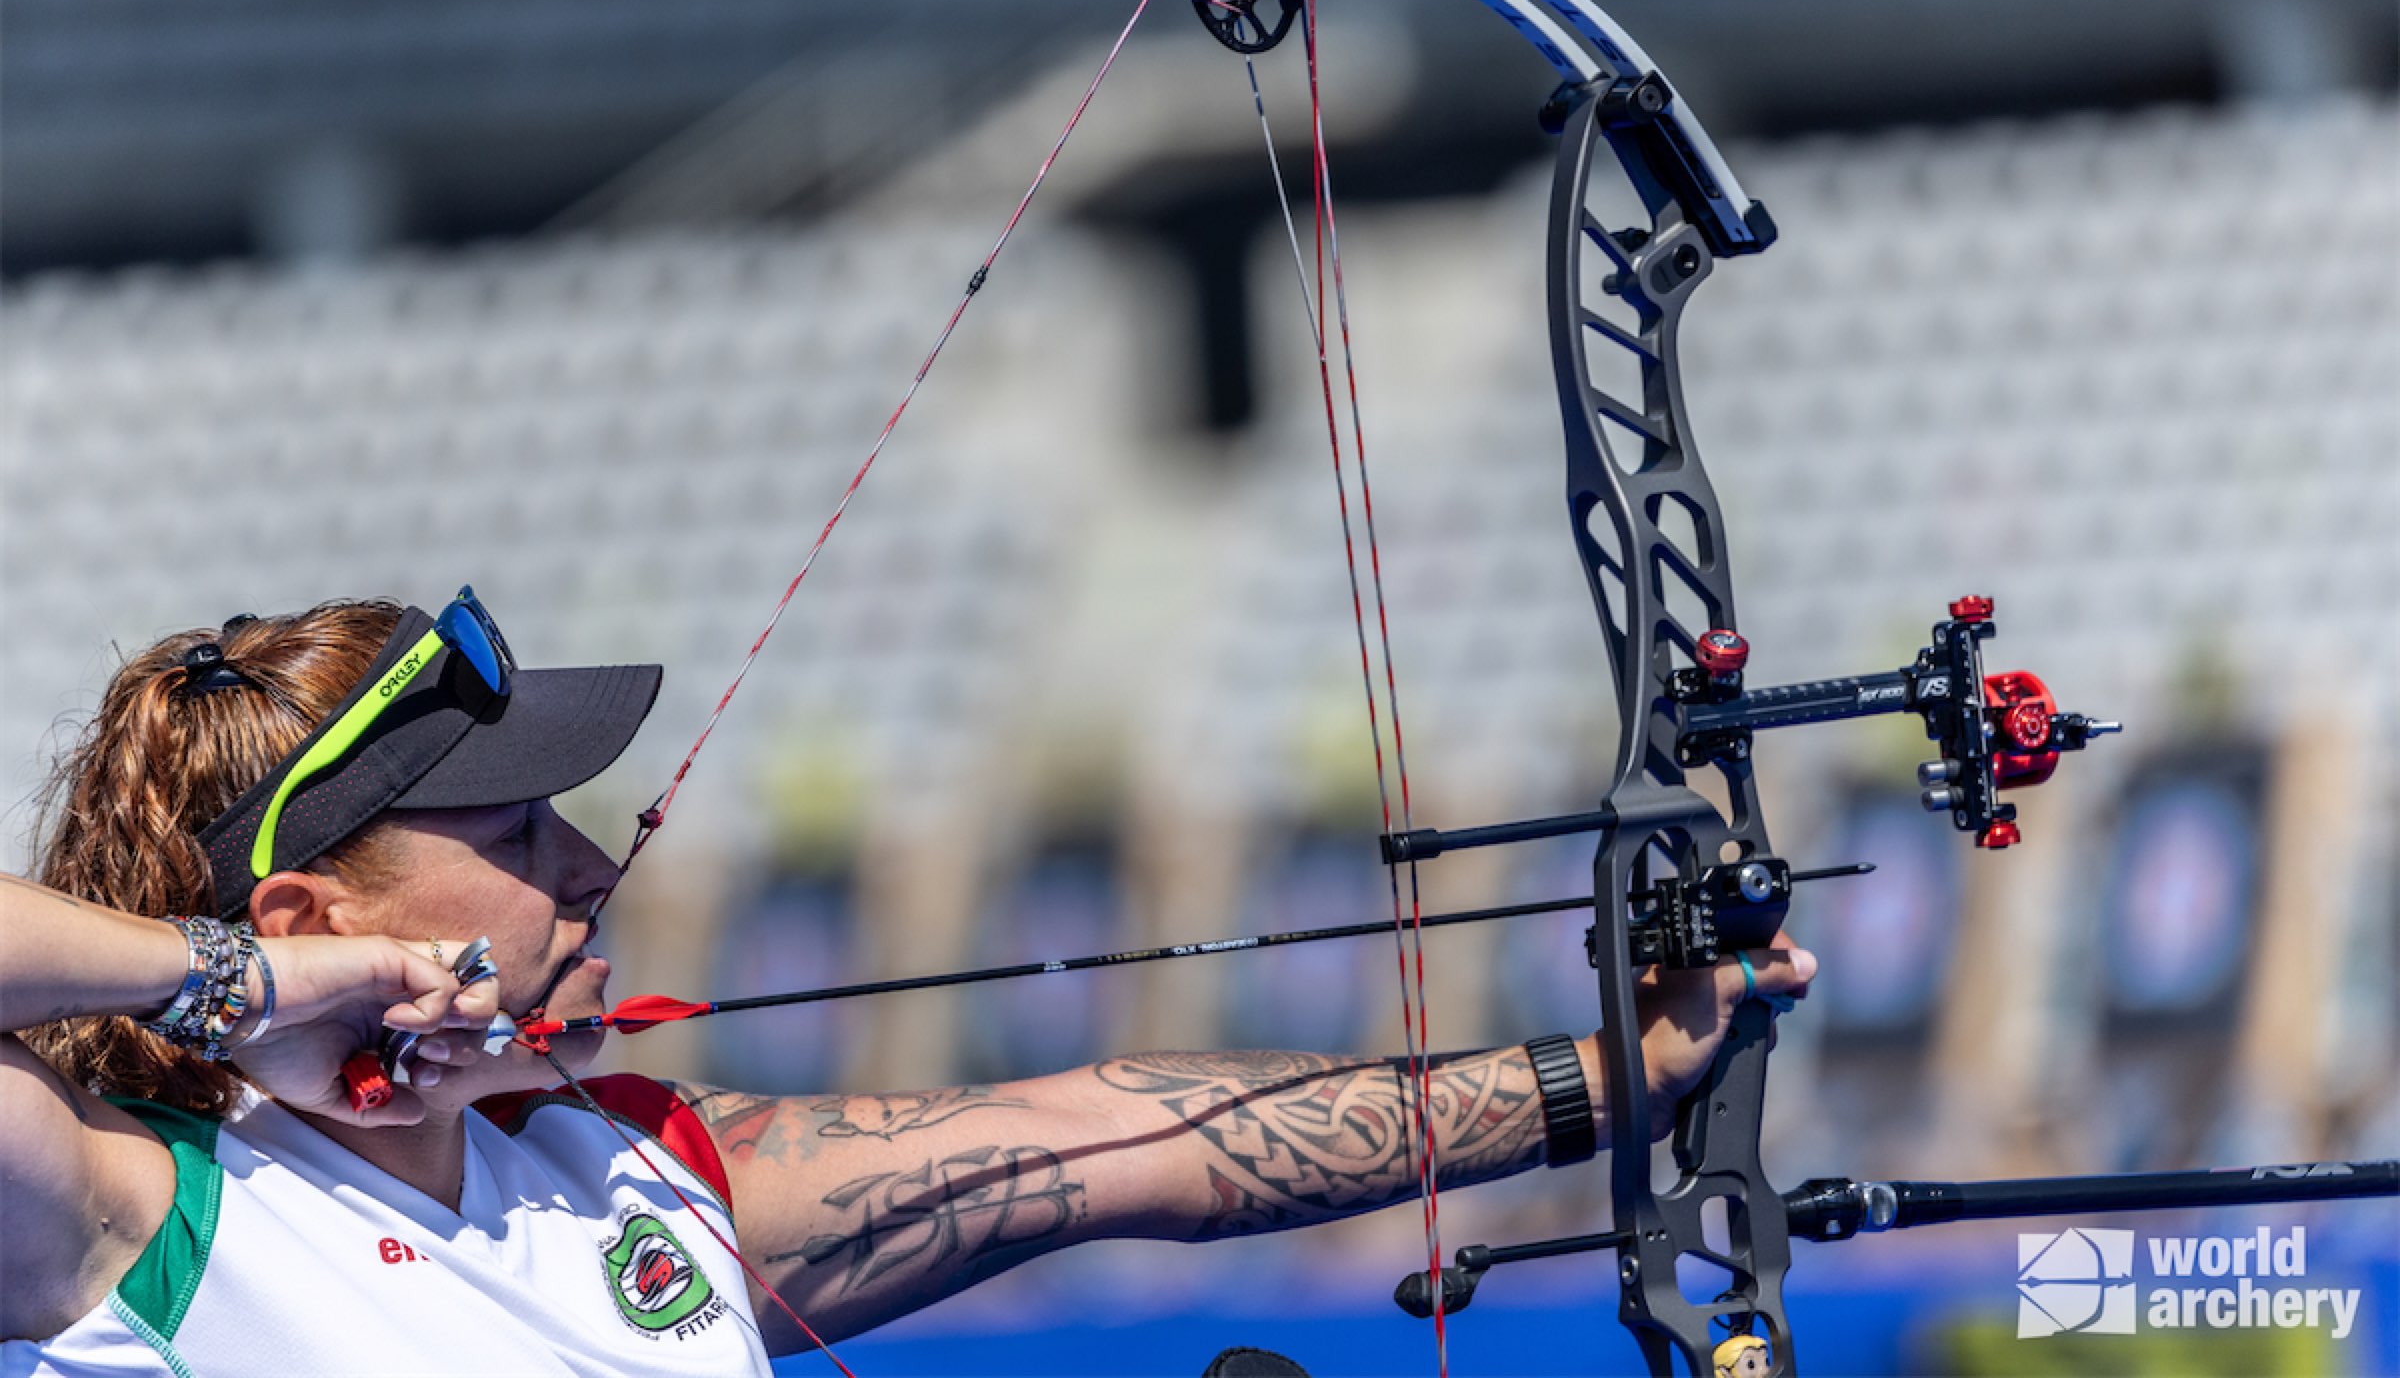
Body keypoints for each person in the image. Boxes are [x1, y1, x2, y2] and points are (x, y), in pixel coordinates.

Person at [0, 594, 1815, 1375]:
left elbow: (1111, 1141)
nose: (589, 863)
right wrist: (228, 979)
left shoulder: (627, 1177)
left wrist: (1606, 1076)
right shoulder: (122, 1212)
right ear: (317, 910)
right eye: (521, 832)